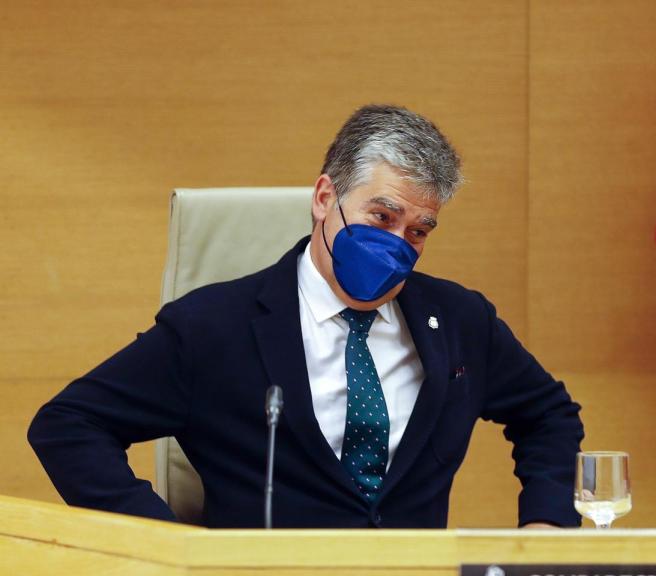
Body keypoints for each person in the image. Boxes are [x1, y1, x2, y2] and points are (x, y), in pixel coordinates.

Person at [28, 104, 584, 529]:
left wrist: (546, 523)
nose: (398, 244)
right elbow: (68, 425)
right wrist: (167, 547)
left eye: (418, 230)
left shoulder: (460, 320)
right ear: (325, 198)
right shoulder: (212, 327)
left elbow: (548, 414)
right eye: (381, 216)